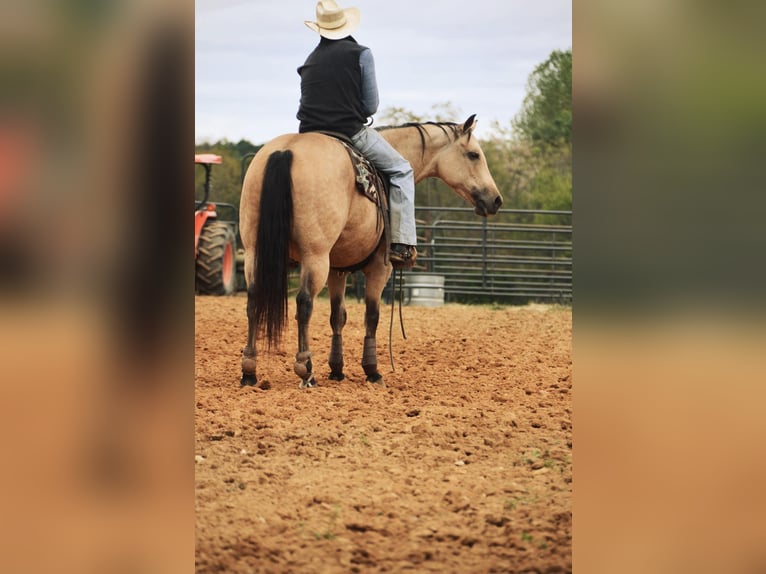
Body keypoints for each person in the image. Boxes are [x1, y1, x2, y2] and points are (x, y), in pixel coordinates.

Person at [297, 0, 417, 266]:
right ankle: (403, 243)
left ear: (320, 29)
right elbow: (371, 105)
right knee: (402, 170)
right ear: (346, 24)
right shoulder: (361, 54)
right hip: (349, 131)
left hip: (308, 133)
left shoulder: (310, 60)